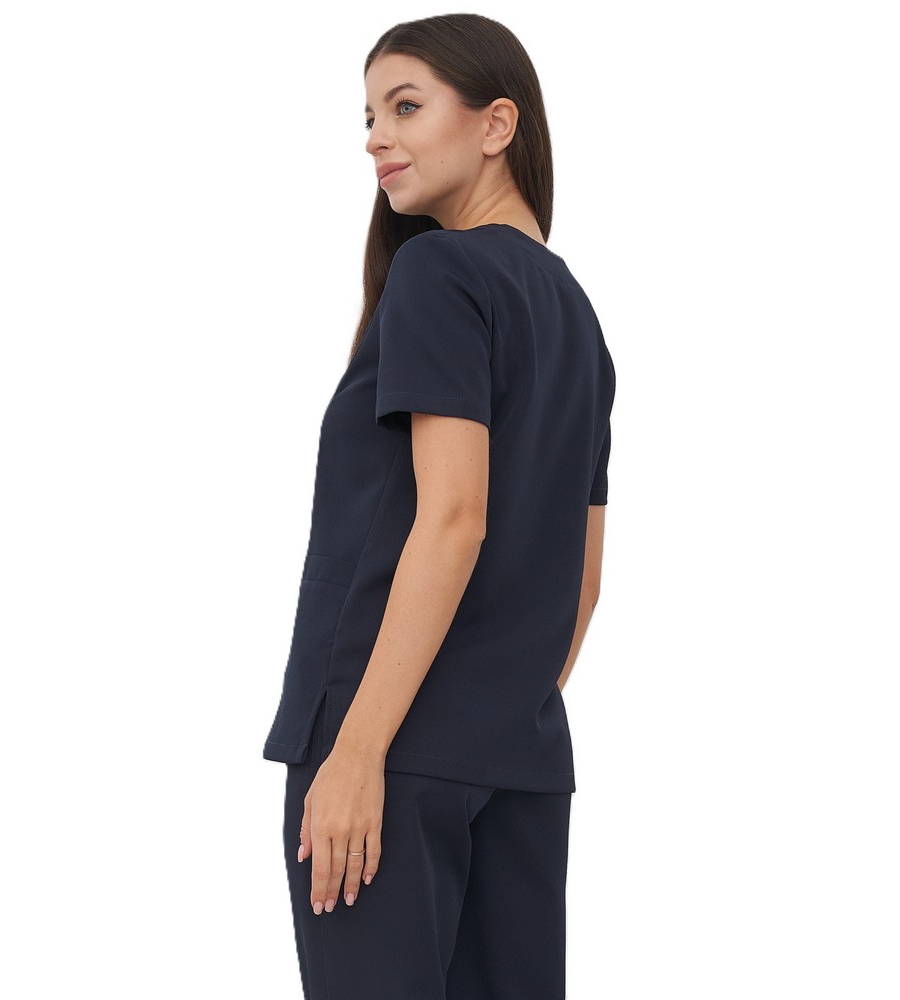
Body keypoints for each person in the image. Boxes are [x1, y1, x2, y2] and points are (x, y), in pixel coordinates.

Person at [262, 13, 616, 999]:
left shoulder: (439, 270)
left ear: (497, 124)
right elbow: (583, 579)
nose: (376, 136)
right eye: (369, 116)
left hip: (388, 749)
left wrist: (357, 750)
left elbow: (455, 518)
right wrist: (494, 709)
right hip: (520, 756)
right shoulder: (578, 321)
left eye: (406, 106)